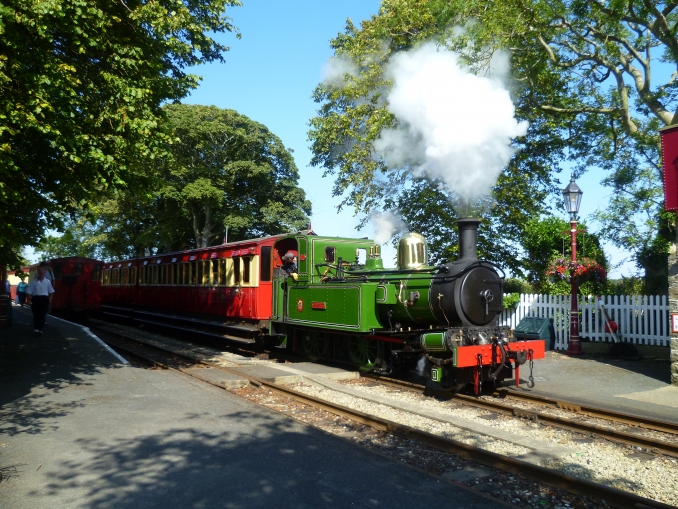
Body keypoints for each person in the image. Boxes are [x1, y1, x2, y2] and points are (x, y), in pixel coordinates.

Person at [26, 266, 55, 336]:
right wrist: (29, 300)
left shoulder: (47, 282)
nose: (41, 275)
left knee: (42, 314)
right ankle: (36, 328)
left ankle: (40, 329)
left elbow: (51, 291)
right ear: (38, 273)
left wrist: (50, 298)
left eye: (42, 273)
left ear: (44, 273)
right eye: (40, 273)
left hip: (44, 299)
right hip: (36, 298)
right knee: (36, 314)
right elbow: (29, 292)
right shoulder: (34, 282)